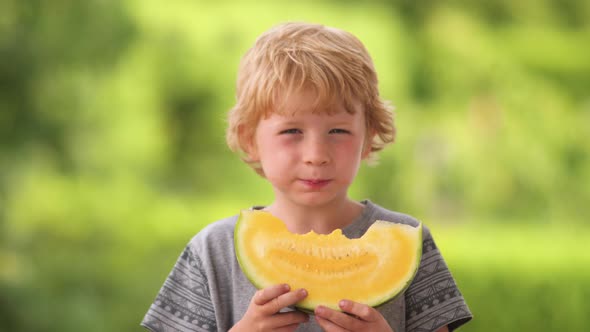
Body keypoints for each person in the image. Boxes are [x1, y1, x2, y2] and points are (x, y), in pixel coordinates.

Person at [141, 22, 472, 332]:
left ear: (368, 136)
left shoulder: (409, 243)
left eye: (338, 130)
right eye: (292, 130)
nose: (316, 154)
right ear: (249, 139)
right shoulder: (212, 251)